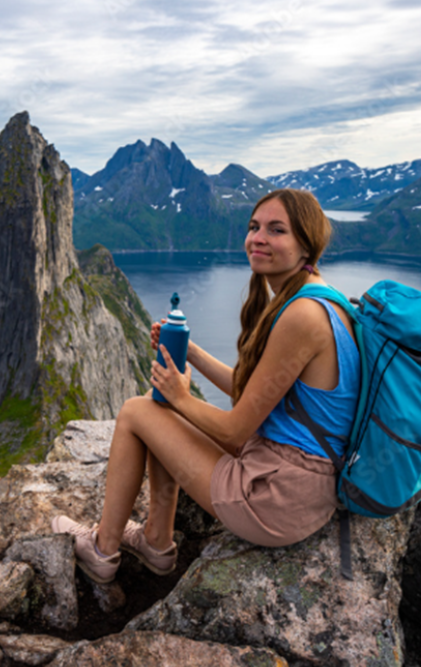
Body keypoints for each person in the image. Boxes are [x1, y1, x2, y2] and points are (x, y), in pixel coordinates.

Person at [52, 188, 360, 584]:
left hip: (277, 499)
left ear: (306, 244)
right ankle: (156, 544)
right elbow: (254, 395)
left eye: (276, 230)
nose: (258, 238)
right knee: (158, 407)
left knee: (136, 411)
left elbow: (236, 428)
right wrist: (192, 353)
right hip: (300, 485)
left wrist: (181, 397)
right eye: (254, 227)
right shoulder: (320, 299)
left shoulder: (302, 316)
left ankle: (101, 550)